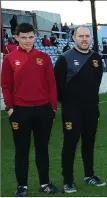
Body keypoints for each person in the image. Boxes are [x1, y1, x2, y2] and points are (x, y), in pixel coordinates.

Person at [2, 22, 61, 196]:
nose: (27, 41)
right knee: (22, 150)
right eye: (23, 37)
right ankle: (22, 186)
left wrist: (53, 108)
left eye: (30, 37)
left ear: (35, 37)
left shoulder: (44, 56)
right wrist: (10, 109)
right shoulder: (9, 59)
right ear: (16, 37)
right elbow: (5, 85)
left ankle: (45, 184)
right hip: (20, 111)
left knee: (42, 149)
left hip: (43, 111)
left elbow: (52, 84)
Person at [53, 26, 106, 193]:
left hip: (91, 110)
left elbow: (95, 85)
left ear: (91, 38)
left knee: (89, 143)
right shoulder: (65, 58)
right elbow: (57, 86)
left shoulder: (96, 58)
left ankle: (89, 175)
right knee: (70, 145)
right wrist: (69, 104)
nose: (84, 39)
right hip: (71, 111)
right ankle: (68, 180)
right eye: (81, 36)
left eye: (87, 36)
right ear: (74, 38)